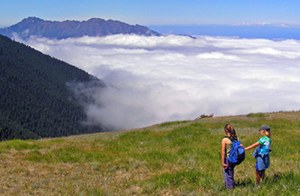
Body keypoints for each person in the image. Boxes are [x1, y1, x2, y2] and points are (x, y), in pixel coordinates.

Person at [221, 123, 240, 189]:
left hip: (228, 159)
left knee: (227, 174)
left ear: (226, 131)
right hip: (234, 159)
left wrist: (223, 162)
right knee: (231, 172)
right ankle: (231, 185)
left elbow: (223, 152)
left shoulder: (225, 140)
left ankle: (230, 189)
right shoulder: (236, 138)